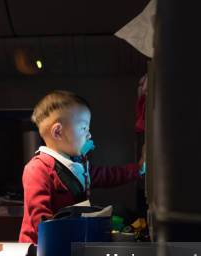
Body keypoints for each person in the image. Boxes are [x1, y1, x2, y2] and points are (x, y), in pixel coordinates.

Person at [19, 90, 145, 244]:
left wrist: (138, 169)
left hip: (71, 242)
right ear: (58, 132)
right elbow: (41, 219)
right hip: (40, 250)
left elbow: (107, 175)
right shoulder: (37, 168)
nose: (89, 135)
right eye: (84, 128)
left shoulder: (78, 164)